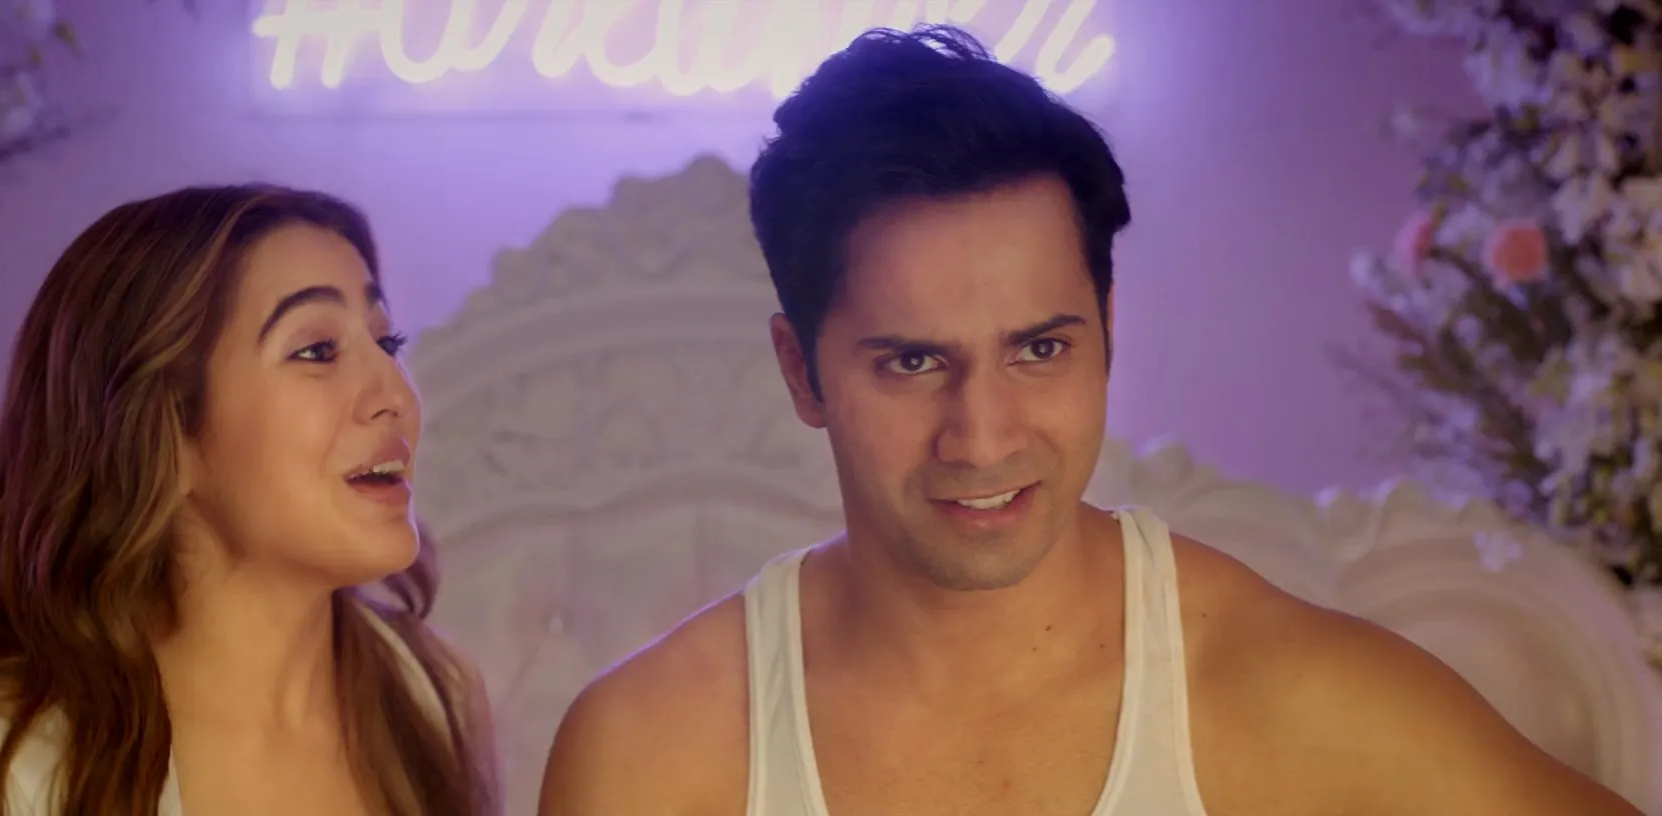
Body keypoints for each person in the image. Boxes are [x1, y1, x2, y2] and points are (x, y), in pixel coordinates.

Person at [536, 25, 1643, 816]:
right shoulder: (653, 754)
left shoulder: (1286, 694)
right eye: (913, 363)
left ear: (1106, 332)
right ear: (801, 371)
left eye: (1039, 350)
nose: (983, 437)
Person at [0, 185, 500, 815]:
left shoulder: (428, 695)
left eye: (388, 343)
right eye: (317, 351)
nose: (397, 396)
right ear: (164, 433)